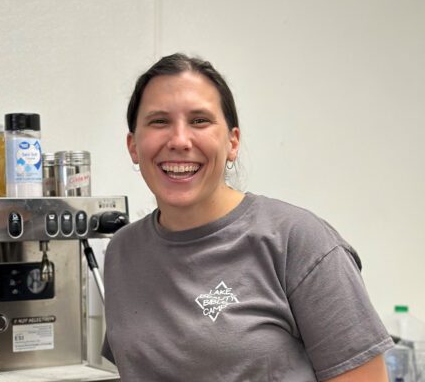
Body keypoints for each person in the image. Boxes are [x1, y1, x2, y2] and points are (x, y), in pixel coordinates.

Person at [101, 53, 393, 381]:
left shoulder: (298, 241)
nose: (179, 140)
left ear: (232, 142)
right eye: (159, 121)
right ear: (133, 146)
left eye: (199, 120)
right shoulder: (122, 253)